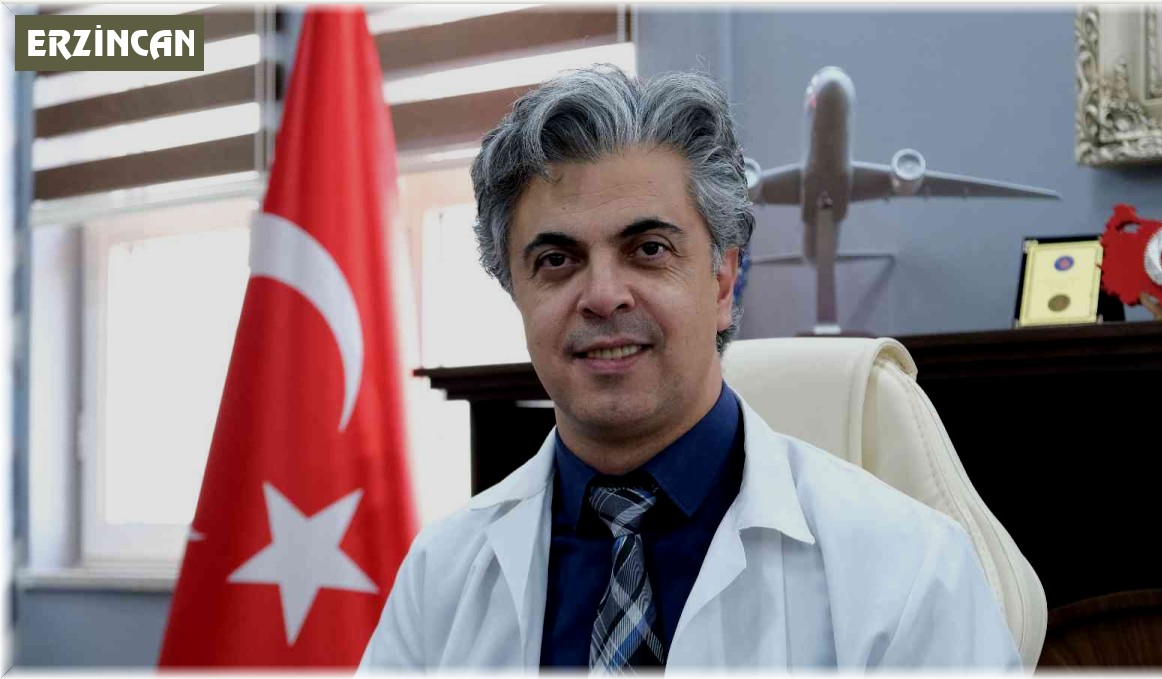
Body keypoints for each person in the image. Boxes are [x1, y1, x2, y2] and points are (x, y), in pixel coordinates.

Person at [358, 64, 1020, 671]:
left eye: (648, 249)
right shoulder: (439, 577)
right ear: (516, 294)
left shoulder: (909, 569)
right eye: (557, 260)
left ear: (723, 281)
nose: (603, 295)